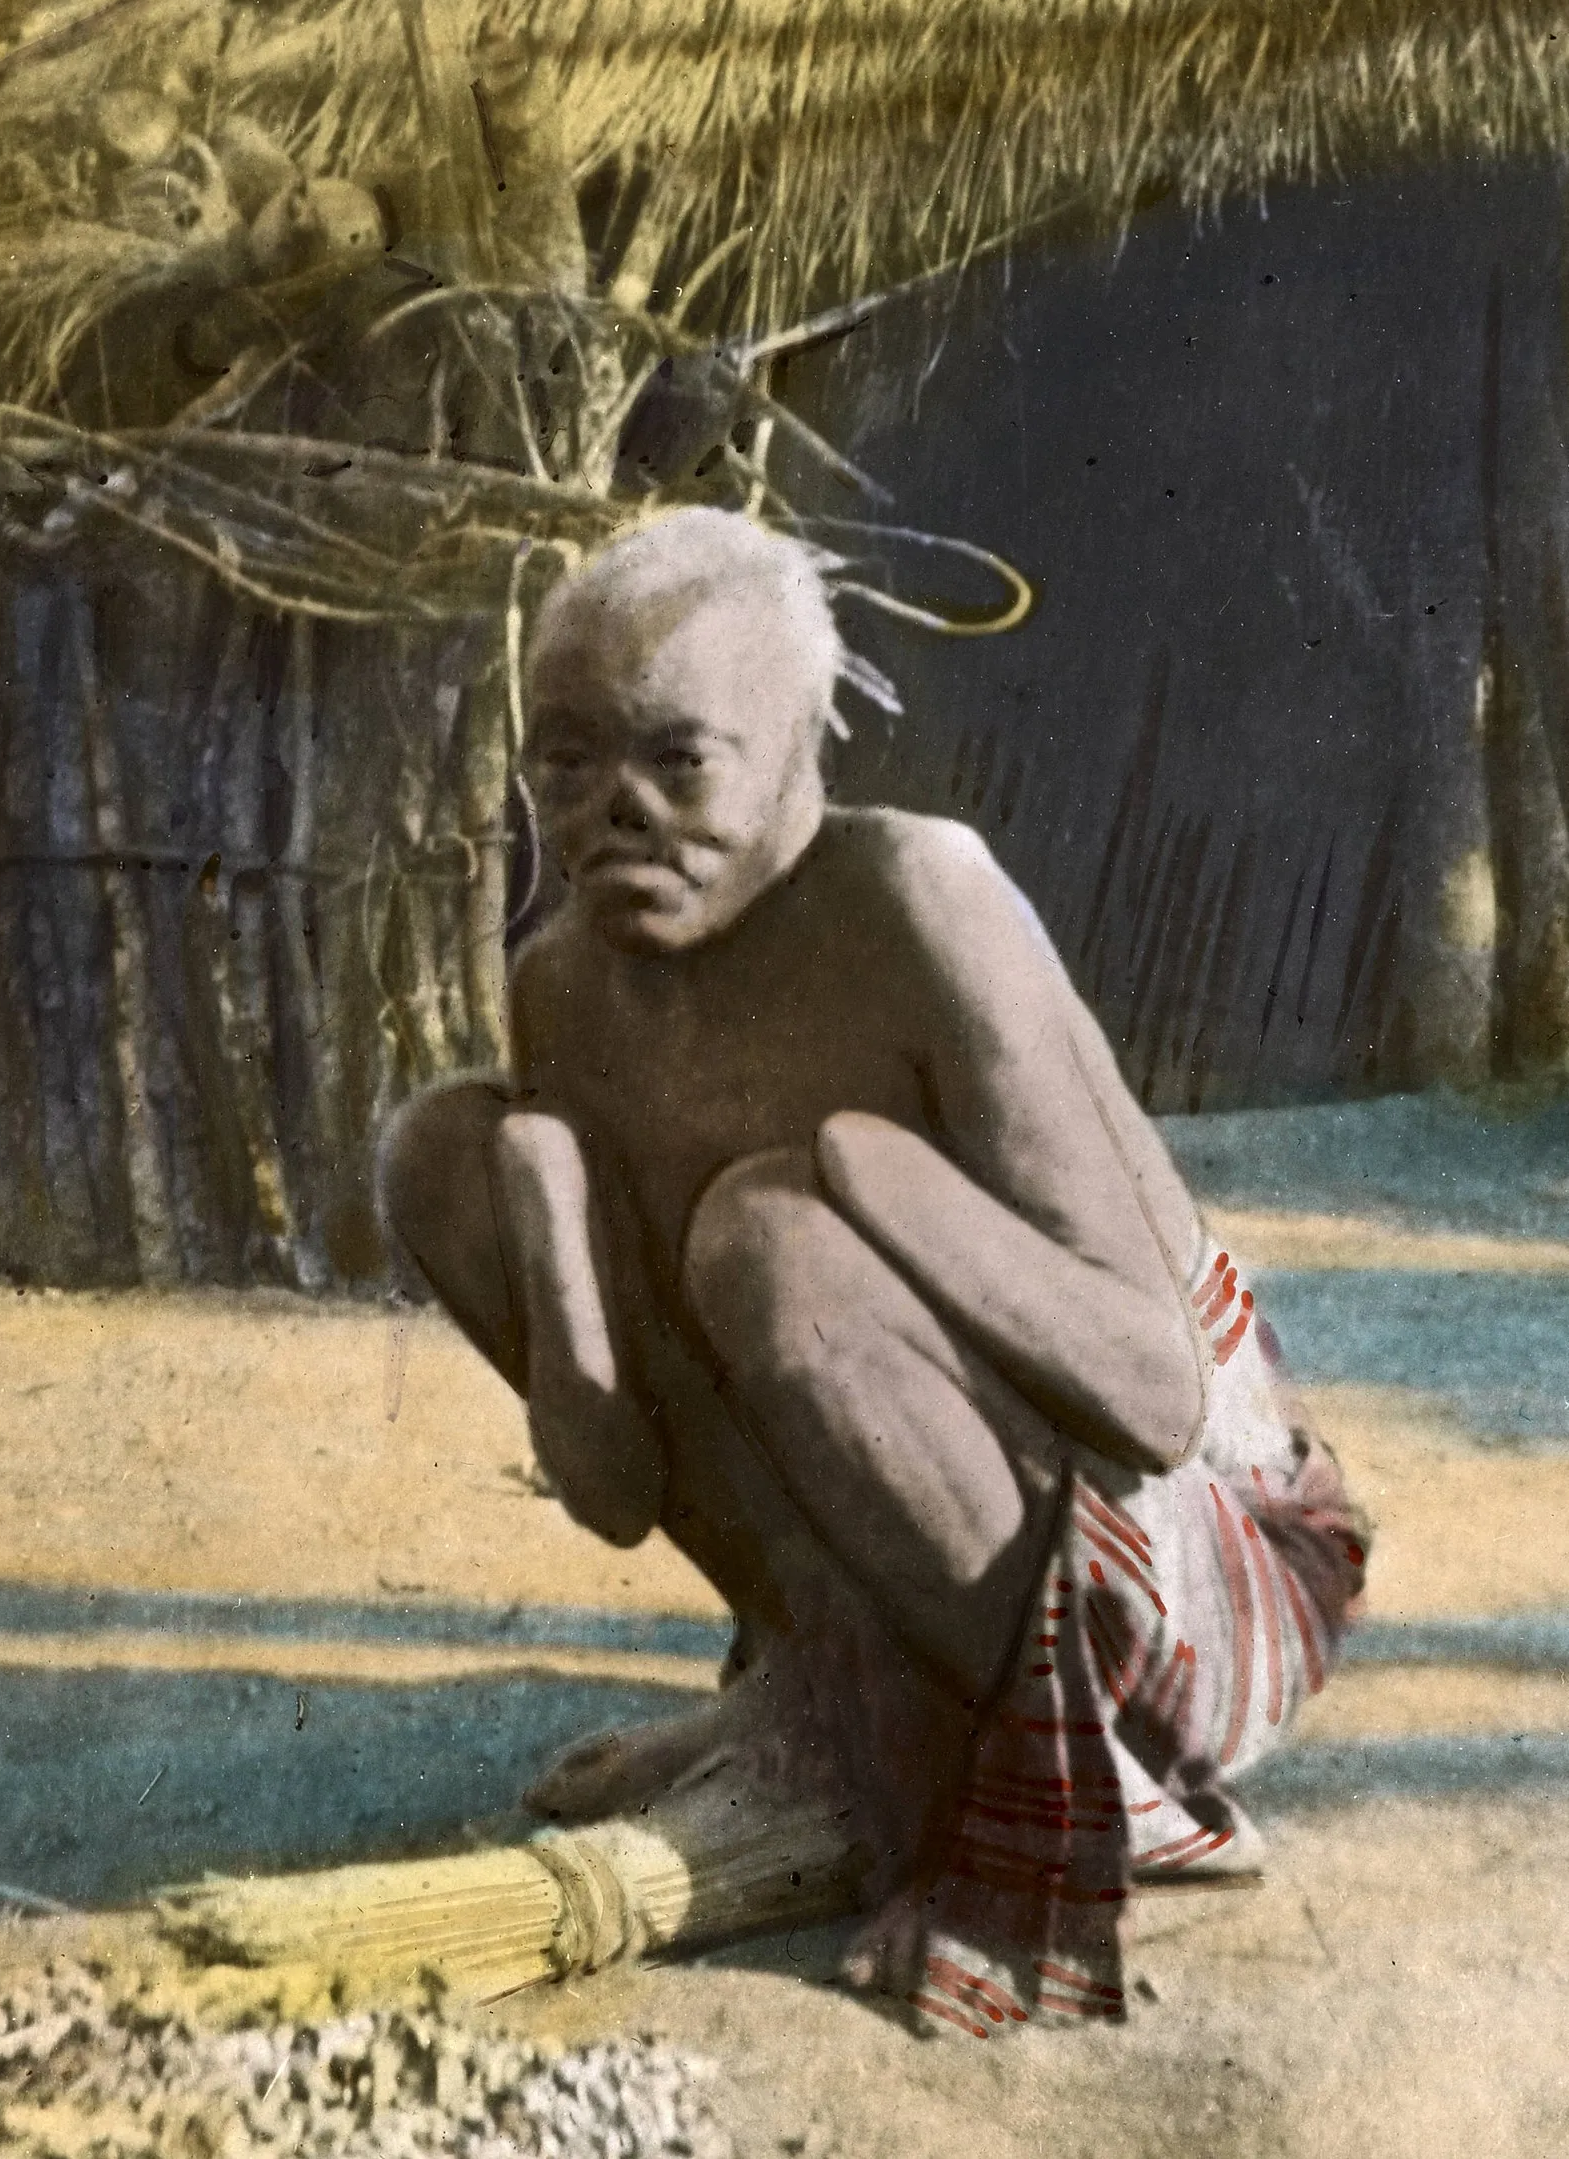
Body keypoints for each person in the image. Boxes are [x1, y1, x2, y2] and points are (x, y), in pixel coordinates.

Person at [379, 508, 1366, 2034]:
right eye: (564, 762)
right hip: (921, 1547)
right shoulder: (565, 985)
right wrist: (551, 1220)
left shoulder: (922, 895)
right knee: (448, 1146)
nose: (612, 813)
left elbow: (1155, 1394)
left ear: (800, 748)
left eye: (677, 759)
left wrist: (874, 1175)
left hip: (1184, 1572)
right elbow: (622, 1493)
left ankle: (1075, 1771)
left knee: (770, 1238)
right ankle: (814, 1690)